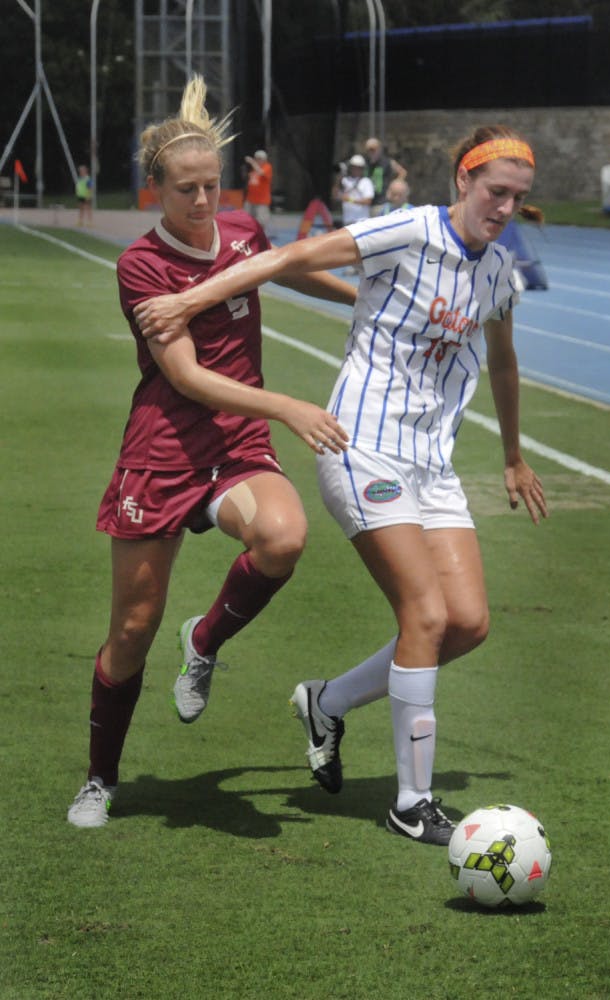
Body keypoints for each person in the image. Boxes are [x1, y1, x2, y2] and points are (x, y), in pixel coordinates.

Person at [133, 124, 549, 847]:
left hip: (432, 463)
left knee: (467, 623)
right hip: (359, 446)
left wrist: (512, 455)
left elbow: (504, 364)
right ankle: (411, 801)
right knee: (424, 615)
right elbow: (285, 256)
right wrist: (188, 302)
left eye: (517, 197)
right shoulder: (407, 232)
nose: (505, 207)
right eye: (495, 191)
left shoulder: (497, 275)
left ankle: (325, 702)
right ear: (462, 181)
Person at [66, 76, 355, 829]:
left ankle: (205, 639)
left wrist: (369, 301)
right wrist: (288, 404)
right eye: (185, 190)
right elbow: (189, 377)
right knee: (130, 630)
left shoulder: (241, 232)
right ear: (154, 191)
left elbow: (288, 267)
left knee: (283, 538)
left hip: (237, 444)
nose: (202, 203)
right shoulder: (141, 266)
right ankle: (100, 778)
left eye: (210, 187)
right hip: (163, 449)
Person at [364, 137, 407, 216]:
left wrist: (394, 187)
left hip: (381, 203)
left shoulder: (387, 162)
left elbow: (402, 172)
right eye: (369, 150)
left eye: (373, 150)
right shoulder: (365, 163)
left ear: (379, 149)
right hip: (366, 204)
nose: (371, 152)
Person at [331, 155, 375, 227]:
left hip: (361, 221)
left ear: (362, 169)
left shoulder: (366, 182)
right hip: (347, 220)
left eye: (358, 168)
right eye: (354, 167)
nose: (356, 169)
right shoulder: (345, 180)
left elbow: (368, 201)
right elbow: (334, 196)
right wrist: (338, 179)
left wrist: (350, 200)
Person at [243, 149, 273, 232]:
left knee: (261, 221)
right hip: (250, 199)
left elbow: (261, 173)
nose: (258, 160)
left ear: (264, 159)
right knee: (246, 219)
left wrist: (252, 162)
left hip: (262, 200)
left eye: (260, 158)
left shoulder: (267, 167)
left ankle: (261, 236)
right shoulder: (253, 170)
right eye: (256, 158)